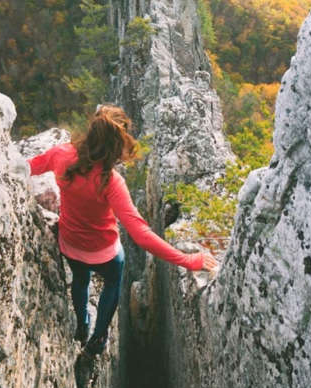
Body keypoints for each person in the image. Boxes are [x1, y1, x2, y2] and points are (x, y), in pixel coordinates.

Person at [27, 105, 218, 355]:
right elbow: (141, 235)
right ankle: (98, 338)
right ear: (116, 146)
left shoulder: (61, 155)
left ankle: (82, 324)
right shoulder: (111, 182)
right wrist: (187, 260)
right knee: (113, 283)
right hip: (104, 252)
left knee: (81, 280)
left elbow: (27, 167)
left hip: (71, 244)